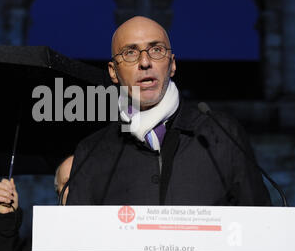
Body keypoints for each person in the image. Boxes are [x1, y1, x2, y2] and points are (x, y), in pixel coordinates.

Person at [66, 16, 272, 206]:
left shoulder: (222, 135)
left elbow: (261, 228)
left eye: (156, 50)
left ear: (172, 64)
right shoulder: (91, 151)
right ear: (113, 71)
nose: (145, 62)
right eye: (130, 52)